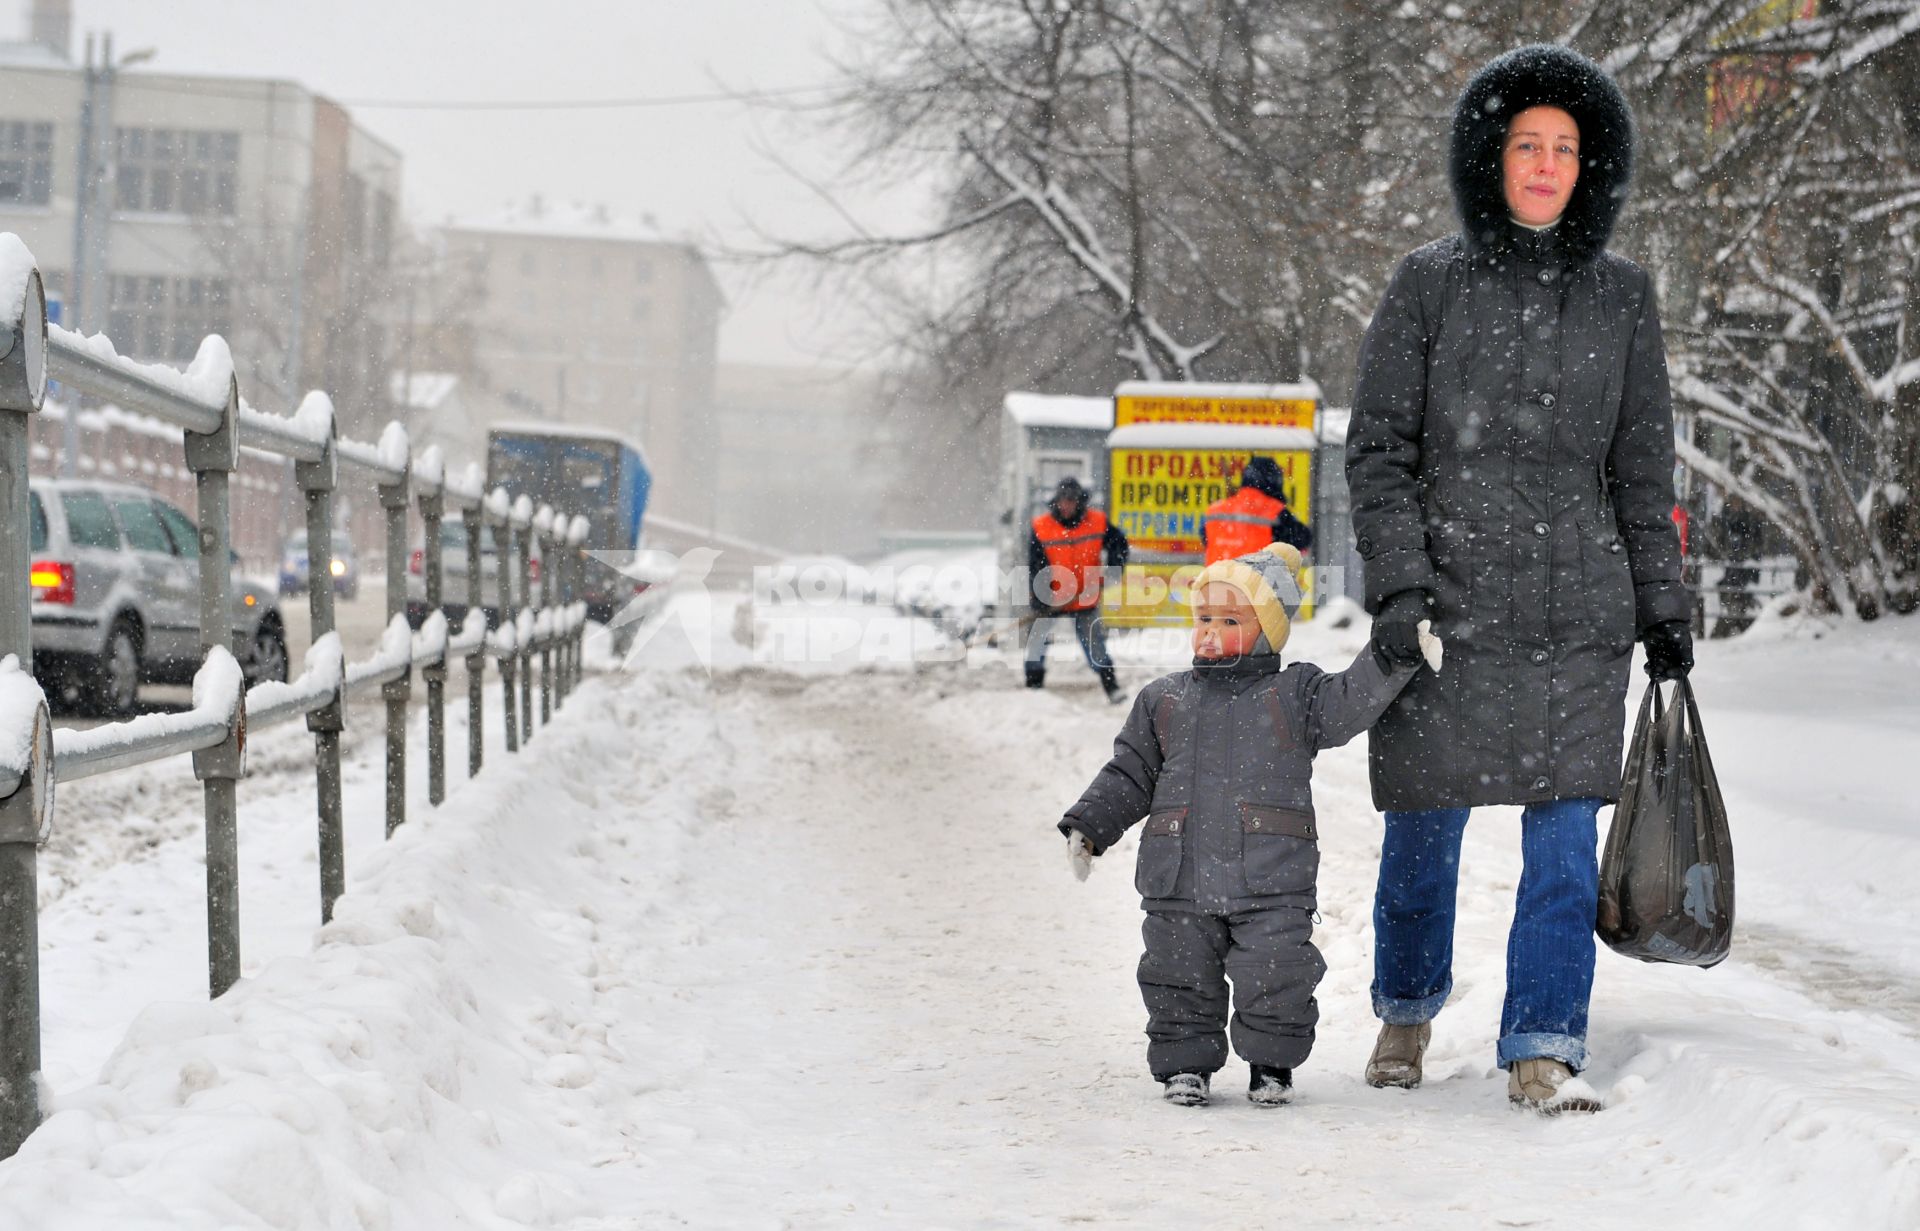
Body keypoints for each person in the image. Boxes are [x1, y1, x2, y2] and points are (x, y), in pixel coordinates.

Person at [1345, 44, 1693, 1114]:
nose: (1546, 164)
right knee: (1421, 823)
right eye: (1527, 144)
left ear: (1593, 168)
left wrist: (1663, 602)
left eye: (1567, 148)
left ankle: (1543, 1042)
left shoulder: (1624, 298)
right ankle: (1406, 1007)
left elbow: (1642, 468)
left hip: (1573, 615)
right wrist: (1402, 588)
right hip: (1448, 611)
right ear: (1490, 157)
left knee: (1560, 839)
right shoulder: (1427, 284)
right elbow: (1379, 450)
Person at [1057, 544, 1440, 1107]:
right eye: (1203, 619)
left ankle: (1272, 1064)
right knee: (1175, 973)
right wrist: (1091, 824)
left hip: (1270, 878)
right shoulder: (1163, 699)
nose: (1209, 632)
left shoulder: (1295, 695)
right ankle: (1185, 1065)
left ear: (1267, 631)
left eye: (1229, 620)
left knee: (1278, 974)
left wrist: (1394, 653)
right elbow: (1130, 771)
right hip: (1178, 877)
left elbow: (1351, 701)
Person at [1026, 476, 1129, 703]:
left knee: (1096, 646)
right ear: (1056, 501)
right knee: (1037, 640)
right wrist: (1039, 595)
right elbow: (1036, 564)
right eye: (1063, 501)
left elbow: (1119, 544)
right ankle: (1032, 689)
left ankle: (1112, 688)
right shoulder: (1042, 527)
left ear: (1080, 502)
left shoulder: (1097, 522)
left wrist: (1113, 570)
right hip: (1053, 595)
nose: (1066, 506)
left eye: (1071, 501)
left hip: (1085, 595)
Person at [1201, 456, 1314, 565]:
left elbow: (1206, 539)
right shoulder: (1274, 511)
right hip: (1256, 582)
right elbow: (1303, 538)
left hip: (1216, 581)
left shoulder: (1214, 510)